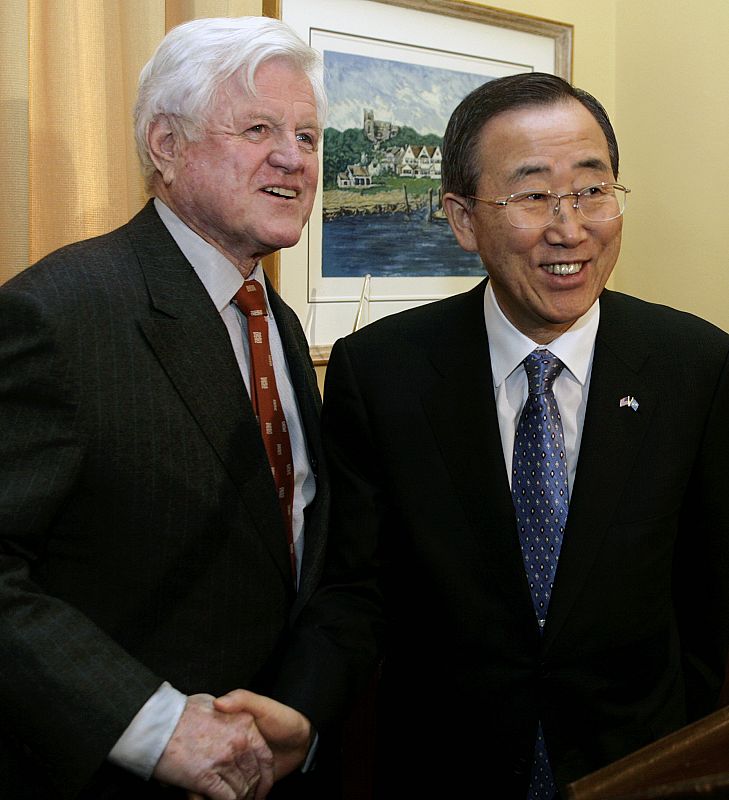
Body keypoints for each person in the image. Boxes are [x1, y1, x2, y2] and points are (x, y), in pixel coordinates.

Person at [262, 72, 729, 798]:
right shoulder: (382, 372)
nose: (568, 228)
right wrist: (301, 706)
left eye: (591, 189)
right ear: (461, 217)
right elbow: (356, 587)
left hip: (637, 767)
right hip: (446, 769)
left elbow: (708, 593)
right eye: (531, 194)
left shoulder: (695, 365)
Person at [0, 15, 335, 800]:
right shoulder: (57, 314)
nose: (294, 157)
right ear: (165, 146)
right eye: (258, 127)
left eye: (310, 136)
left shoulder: (274, 322)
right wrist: (151, 726)